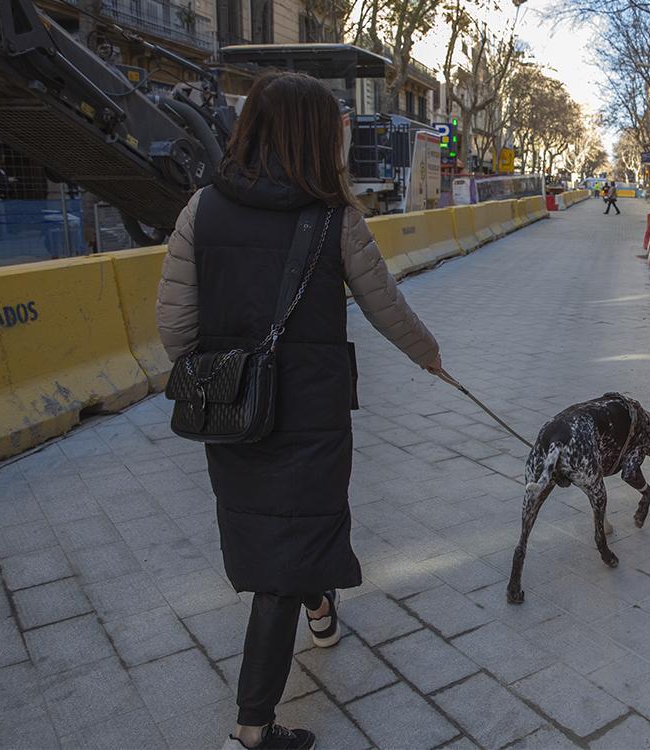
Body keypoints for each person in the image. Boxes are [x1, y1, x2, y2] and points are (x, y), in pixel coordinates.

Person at [155, 72, 441, 750]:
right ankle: (251, 730)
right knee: (283, 561)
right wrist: (430, 356)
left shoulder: (201, 209)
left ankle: (320, 609)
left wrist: (229, 368)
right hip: (310, 413)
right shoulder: (333, 218)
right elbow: (385, 305)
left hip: (233, 410)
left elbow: (174, 329)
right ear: (315, 139)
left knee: (272, 534)